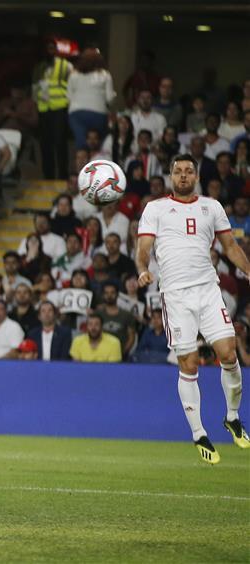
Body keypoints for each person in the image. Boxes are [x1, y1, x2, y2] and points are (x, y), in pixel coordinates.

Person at [136, 153, 250, 464]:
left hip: (208, 290)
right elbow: (143, 248)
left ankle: (232, 417)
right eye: (178, 171)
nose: (183, 175)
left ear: (197, 176)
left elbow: (230, 246)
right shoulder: (156, 208)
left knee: (229, 354)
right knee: (189, 364)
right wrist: (142, 269)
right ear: (171, 176)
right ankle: (199, 433)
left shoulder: (212, 207)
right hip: (175, 296)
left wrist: (248, 270)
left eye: (189, 171)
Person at [32, 39, 71, 179]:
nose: (50, 51)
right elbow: (35, 89)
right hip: (44, 109)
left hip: (60, 108)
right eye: (48, 48)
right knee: (45, 144)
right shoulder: (39, 67)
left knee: (60, 143)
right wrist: (36, 106)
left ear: (56, 50)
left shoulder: (65, 66)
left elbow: (72, 85)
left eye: (52, 48)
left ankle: (63, 175)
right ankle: (48, 176)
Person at [67, 48, 115, 150]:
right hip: (98, 113)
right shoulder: (105, 75)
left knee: (81, 145)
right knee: (97, 145)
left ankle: (82, 158)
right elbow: (110, 99)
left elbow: (69, 96)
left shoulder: (74, 75)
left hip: (77, 114)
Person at [95, 282, 137, 359]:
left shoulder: (127, 315)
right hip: (99, 354)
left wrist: (122, 353)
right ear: (103, 295)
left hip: (121, 355)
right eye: (106, 293)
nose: (109, 296)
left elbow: (131, 337)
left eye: (112, 293)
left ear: (117, 295)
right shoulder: (97, 314)